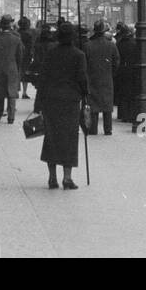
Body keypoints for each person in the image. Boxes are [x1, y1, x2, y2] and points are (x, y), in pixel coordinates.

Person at [36, 22, 88, 189]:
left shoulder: (51, 53)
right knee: (69, 138)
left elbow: (43, 78)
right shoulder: (78, 55)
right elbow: (82, 79)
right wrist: (85, 95)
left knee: (51, 137)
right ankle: (67, 178)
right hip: (70, 101)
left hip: (51, 100)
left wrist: (39, 103)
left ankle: (52, 177)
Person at [85, 20, 120, 134]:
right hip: (106, 77)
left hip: (92, 77)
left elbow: (84, 64)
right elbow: (116, 62)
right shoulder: (111, 45)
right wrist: (111, 73)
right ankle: (107, 129)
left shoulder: (87, 46)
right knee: (107, 105)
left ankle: (93, 129)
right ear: (104, 31)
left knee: (93, 105)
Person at [0, 15, 22, 122]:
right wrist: (18, 68)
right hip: (12, 69)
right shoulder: (17, 39)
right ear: (10, 25)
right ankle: (11, 117)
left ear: (1, 25)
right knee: (12, 93)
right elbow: (19, 56)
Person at [116, 23, 139, 123]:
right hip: (133, 71)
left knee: (123, 93)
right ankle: (131, 115)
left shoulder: (120, 43)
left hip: (122, 71)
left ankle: (123, 114)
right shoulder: (134, 43)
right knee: (132, 94)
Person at [18, 18, 35, 99]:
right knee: (25, 74)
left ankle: (16, 91)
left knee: (17, 73)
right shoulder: (29, 35)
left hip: (17, 56)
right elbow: (31, 47)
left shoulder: (16, 33)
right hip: (26, 56)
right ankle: (24, 92)